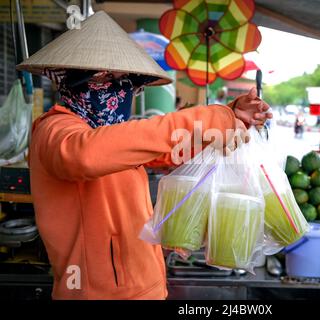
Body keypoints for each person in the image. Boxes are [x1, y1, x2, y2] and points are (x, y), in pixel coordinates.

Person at [17, 11, 272, 300]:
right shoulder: (55, 130)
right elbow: (84, 156)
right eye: (106, 78)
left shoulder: (113, 134)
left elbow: (165, 151)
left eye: (125, 80)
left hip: (147, 285)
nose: (120, 89)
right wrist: (205, 119)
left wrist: (224, 118)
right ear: (72, 81)